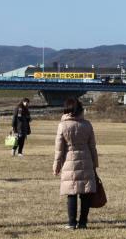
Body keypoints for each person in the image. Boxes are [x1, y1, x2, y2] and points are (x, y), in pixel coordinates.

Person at [53, 98, 99, 230]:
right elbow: (92, 146)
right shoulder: (87, 124)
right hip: (86, 159)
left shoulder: (62, 125)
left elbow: (59, 149)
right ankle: (83, 222)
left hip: (69, 161)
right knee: (85, 193)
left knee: (71, 193)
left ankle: (71, 222)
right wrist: (95, 163)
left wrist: (56, 165)